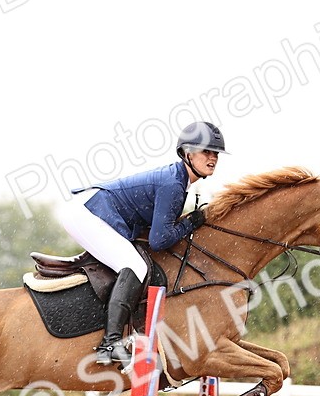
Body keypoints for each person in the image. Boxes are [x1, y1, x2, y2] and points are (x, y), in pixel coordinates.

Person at [56, 121, 227, 370]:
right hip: (87, 212)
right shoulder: (173, 184)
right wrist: (191, 222)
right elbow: (159, 241)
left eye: (216, 154)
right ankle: (109, 344)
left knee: (133, 262)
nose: (213, 158)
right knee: (135, 265)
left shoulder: (179, 181)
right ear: (188, 154)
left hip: (92, 209)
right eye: (206, 152)